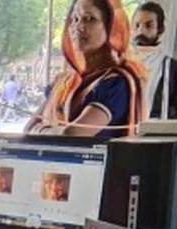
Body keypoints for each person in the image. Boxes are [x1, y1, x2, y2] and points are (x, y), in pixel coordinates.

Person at [25, 0, 146, 138]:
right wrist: (49, 131)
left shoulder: (115, 84)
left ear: (112, 27)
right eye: (74, 19)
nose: (79, 26)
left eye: (89, 19)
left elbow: (73, 135)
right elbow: (28, 128)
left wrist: (40, 130)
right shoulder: (64, 82)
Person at [132, 2, 177, 119]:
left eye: (148, 25)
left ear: (160, 30)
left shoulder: (171, 68)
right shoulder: (122, 63)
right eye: (137, 25)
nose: (141, 31)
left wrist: (161, 122)